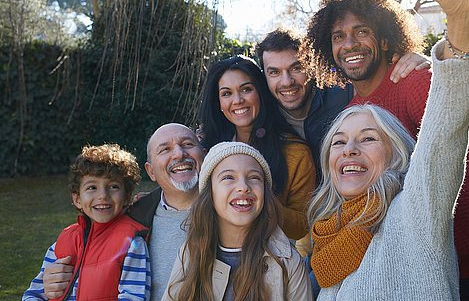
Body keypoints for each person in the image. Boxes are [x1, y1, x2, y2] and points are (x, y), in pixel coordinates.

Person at [302, 0, 469, 301]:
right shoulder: (353, 106)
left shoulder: (414, 81)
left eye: (361, 31)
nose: (349, 44)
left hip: (439, 260)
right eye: (338, 36)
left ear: (384, 40)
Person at [41, 123, 205, 300]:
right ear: (151, 172)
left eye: (187, 144)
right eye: (165, 149)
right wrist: (47, 284)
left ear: (204, 154)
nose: (179, 153)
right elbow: (35, 292)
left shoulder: (229, 212)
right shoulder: (140, 213)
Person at [255, 28, 430, 182]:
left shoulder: (344, 92)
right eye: (274, 72)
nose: (287, 82)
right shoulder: (262, 115)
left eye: (296, 68)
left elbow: (377, 76)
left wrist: (418, 60)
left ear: (312, 66)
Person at [163, 141, 312, 301]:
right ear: (210, 192)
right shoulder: (190, 253)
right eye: (228, 177)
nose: (243, 187)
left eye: (254, 177)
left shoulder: (288, 262)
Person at [199, 56, 316, 241]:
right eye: (226, 93)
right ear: (218, 102)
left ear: (261, 92)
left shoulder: (295, 153)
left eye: (246, 89)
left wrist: (261, 201)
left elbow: (302, 225)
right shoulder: (208, 150)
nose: (237, 100)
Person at [23, 144, 151, 300]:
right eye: (92, 187)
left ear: (126, 197)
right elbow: (33, 294)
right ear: (77, 199)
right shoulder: (61, 244)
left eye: (113, 186)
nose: (103, 195)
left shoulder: (132, 244)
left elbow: (134, 297)